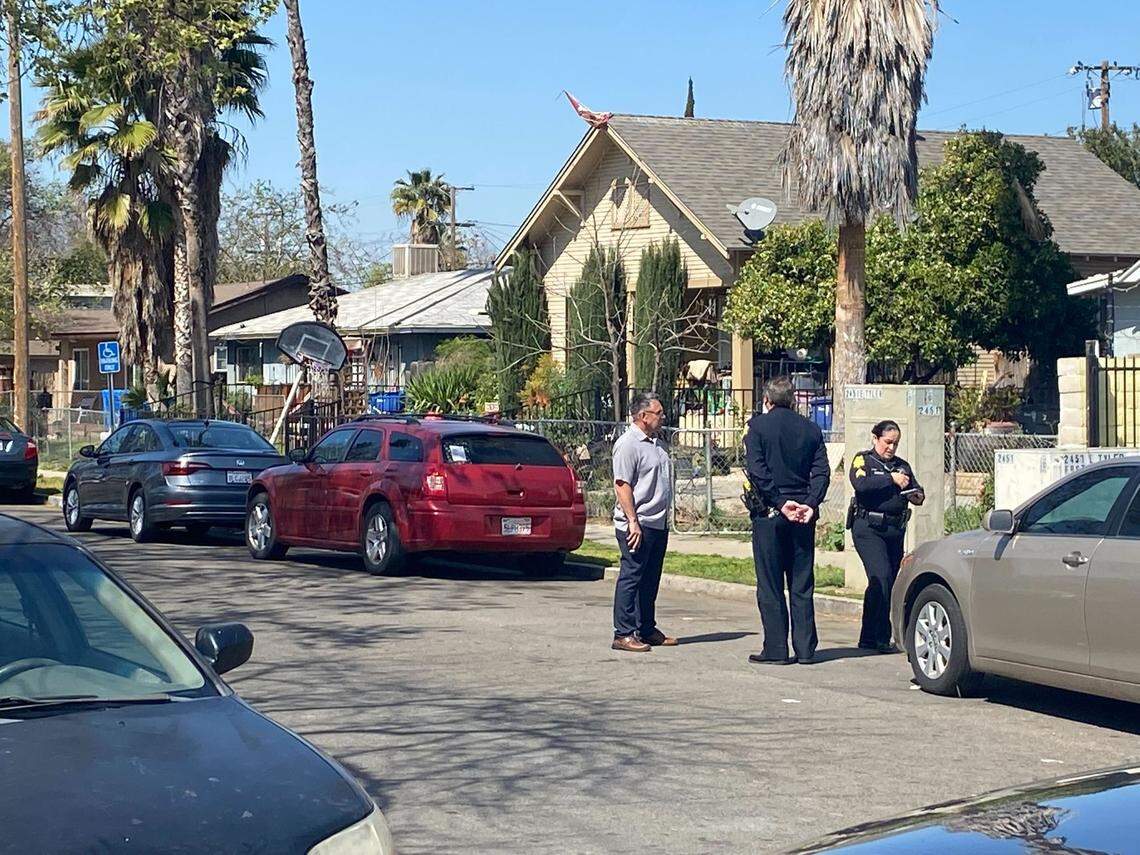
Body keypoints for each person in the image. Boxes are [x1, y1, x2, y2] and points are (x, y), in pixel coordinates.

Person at [743, 377, 830, 665]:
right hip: (802, 514)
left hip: (770, 513)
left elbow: (757, 469)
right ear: (793, 401)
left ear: (767, 401)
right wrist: (810, 503)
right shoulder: (811, 429)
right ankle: (805, 649)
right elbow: (821, 472)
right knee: (802, 583)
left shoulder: (757, 428)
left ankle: (777, 648)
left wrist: (780, 502)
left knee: (770, 583)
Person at [848, 419, 925, 653]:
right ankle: (881, 637)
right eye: (887, 442)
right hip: (868, 528)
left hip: (894, 529)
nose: (891, 448)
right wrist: (890, 479)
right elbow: (861, 484)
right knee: (879, 576)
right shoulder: (864, 460)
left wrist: (915, 495)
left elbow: (917, 490)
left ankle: (869, 636)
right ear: (875, 439)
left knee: (887, 582)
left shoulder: (903, 466)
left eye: (895, 443)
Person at [610, 392, 677, 653]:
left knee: (650, 579)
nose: (662, 417)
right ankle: (623, 633)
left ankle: (646, 628)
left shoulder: (657, 444)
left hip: (658, 523)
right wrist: (632, 521)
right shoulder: (628, 444)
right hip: (638, 523)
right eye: (658, 413)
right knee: (632, 577)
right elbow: (622, 485)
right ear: (642, 416)